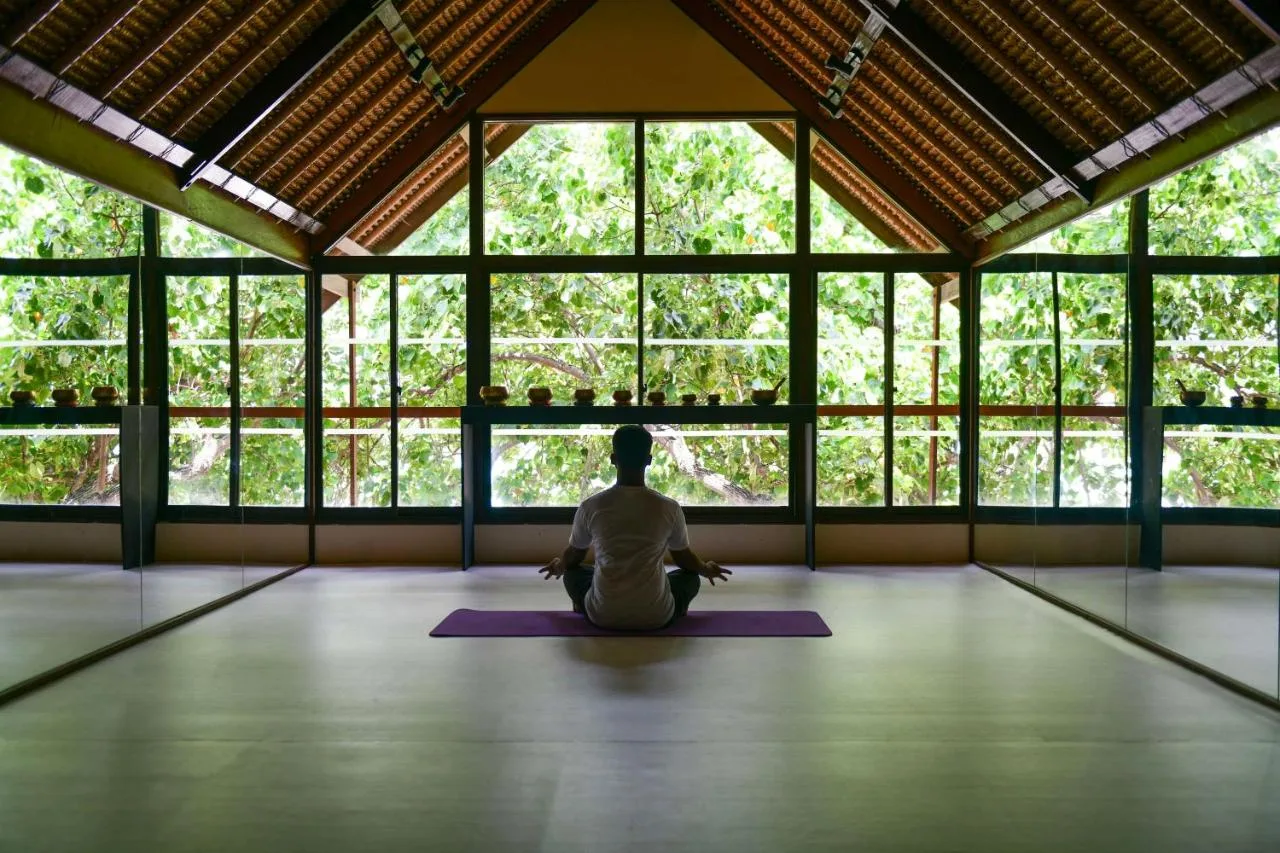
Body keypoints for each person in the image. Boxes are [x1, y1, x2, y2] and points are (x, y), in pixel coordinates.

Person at [538, 424, 731, 630]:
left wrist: (559, 565)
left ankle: (581, 604)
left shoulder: (591, 506)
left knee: (574, 572)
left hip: (602, 615)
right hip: (657, 616)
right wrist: (706, 569)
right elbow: (684, 559)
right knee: (690, 577)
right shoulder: (669, 507)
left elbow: (574, 556)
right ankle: (678, 609)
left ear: (613, 459)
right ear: (649, 461)